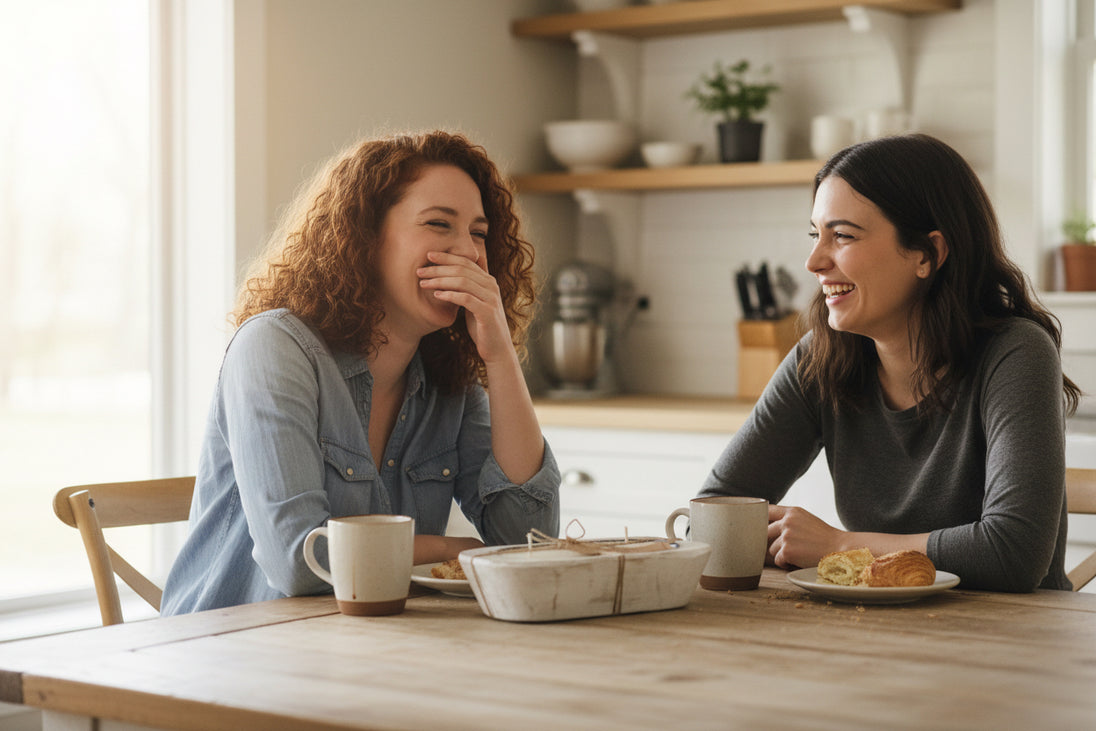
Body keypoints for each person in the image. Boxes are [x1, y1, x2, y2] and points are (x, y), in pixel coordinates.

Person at [162, 130, 560, 614]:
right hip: (231, 654)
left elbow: (528, 539)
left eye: (478, 233)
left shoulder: (449, 373)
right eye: (439, 224)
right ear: (366, 237)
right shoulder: (274, 348)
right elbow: (300, 562)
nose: (471, 253)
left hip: (369, 653)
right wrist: (457, 550)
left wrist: (499, 358)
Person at [699, 133, 1081, 592]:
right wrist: (757, 539)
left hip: (1013, 646)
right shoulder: (818, 358)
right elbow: (715, 510)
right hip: (877, 638)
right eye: (815, 234)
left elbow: (1013, 553)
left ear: (927, 254)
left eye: (841, 235)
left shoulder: (1016, 353)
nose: (814, 261)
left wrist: (839, 545)